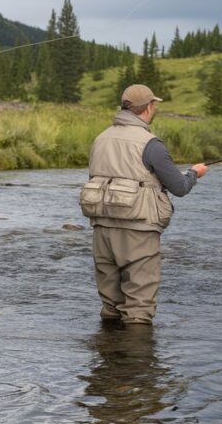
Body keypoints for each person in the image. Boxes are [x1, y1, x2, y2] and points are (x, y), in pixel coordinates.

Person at [80, 84, 207, 326]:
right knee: (138, 308)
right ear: (148, 108)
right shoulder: (151, 144)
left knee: (110, 303)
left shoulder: (101, 139)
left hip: (102, 229)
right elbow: (179, 187)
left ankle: (108, 358)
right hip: (138, 231)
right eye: (153, 105)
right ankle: (137, 362)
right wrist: (194, 173)